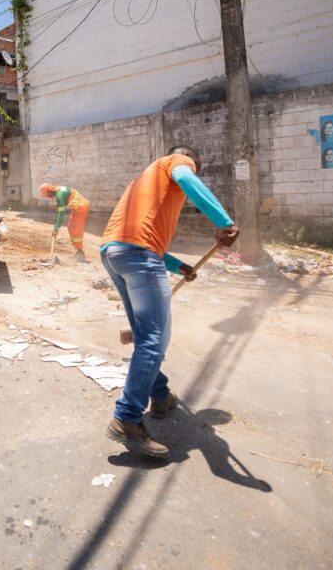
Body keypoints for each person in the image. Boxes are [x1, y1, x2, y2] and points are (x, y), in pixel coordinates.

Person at [100, 145, 238, 457]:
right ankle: (127, 418)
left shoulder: (143, 182)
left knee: (145, 335)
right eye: (194, 166)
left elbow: (140, 237)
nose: (191, 170)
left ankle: (160, 395)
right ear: (193, 160)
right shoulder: (176, 162)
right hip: (137, 255)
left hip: (115, 253)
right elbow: (185, 177)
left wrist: (178, 267)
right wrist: (224, 221)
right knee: (153, 340)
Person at [39, 183, 90, 260]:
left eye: (46, 195)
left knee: (75, 228)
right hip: (78, 207)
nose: (48, 197)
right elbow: (65, 199)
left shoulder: (59, 195)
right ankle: (79, 251)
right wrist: (59, 205)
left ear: (49, 191)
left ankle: (80, 253)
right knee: (71, 227)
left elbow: (61, 214)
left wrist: (56, 229)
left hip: (81, 207)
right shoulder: (58, 190)